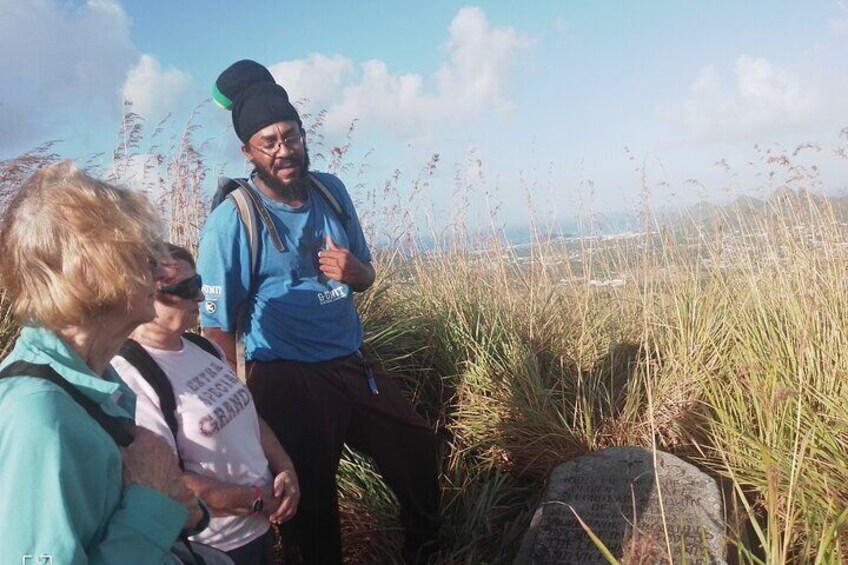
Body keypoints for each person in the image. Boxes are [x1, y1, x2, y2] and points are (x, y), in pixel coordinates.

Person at [197, 60, 441, 564]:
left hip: (350, 361)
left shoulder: (332, 190)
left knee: (415, 448)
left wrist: (356, 274)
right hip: (284, 374)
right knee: (311, 504)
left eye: (291, 136)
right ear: (248, 151)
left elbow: (366, 274)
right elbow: (215, 326)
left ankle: (427, 547)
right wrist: (237, 408)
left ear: (304, 136)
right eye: (269, 142)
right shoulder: (232, 220)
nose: (284, 151)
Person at [0, 161, 201, 563]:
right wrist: (151, 503)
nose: (163, 273)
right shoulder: (38, 417)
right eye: (145, 257)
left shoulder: (94, 382)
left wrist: (178, 507)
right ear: (87, 271)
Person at [112, 243, 300, 565]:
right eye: (188, 288)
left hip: (259, 530)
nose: (200, 297)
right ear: (145, 296)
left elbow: (247, 414)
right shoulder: (133, 375)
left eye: (199, 284)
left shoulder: (204, 347)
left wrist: (285, 468)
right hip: (212, 546)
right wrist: (256, 499)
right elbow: (168, 480)